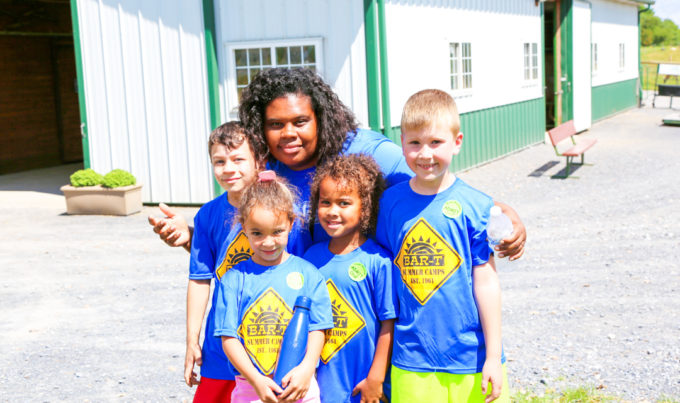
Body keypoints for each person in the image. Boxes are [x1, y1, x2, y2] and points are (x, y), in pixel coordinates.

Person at [149, 68, 526, 258]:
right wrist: (191, 237)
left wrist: (496, 210)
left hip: (360, 307)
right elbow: (239, 239)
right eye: (275, 125)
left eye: (300, 121)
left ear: (321, 118)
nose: (288, 134)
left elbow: (434, 179)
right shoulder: (262, 171)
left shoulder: (367, 152)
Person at [376, 89, 510, 403]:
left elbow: (487, 282)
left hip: (472, 360)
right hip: (412, 361)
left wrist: (493, 355)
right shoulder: (389, 205)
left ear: (457, 142)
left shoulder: (477, 206)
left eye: (436, 142)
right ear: (402, 143)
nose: (425, 154)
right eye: (415, 143)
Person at [214, 171, 333, 403]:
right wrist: (256, 380)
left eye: (277, 232)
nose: (268, 242)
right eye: (257, 233)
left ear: (291, 223)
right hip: (251, 389)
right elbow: (228, 337)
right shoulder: (234, 279)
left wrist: (307, 368)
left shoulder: (309, 274)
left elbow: (318, 328)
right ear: (243, 227)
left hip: (299, 386)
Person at [303, 155, 396, 403]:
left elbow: (389, 324)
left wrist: (376, 379)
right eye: (326, 202)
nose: (333, 211)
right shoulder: (309, 259)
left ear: (364, 207)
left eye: (344, 203)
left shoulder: (378, 260)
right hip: (319, 389)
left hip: (363, 387)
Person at [182, 121, 260, 402]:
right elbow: (199, 278)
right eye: (219, 161)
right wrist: (193, 339)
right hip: (220, 346)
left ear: (257, 160)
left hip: (269, 342)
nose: (228, 168)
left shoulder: (281, 209)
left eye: (238, 159)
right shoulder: (207, 215)